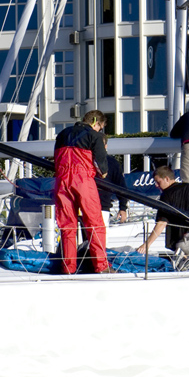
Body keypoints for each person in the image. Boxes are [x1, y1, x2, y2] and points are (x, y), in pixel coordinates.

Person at [54, 109, 110, 275]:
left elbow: (56, 159)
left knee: (67, 227)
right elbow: (102, 169)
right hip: (82, 180)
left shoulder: (62, 134)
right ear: (96, 122)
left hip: (62, 181)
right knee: (94, 224)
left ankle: (68, 268)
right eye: (100, 127)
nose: (100, 130)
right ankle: (101, 266)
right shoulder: (95, 136)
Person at [95, 134, 128, 226]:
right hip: (82, 208)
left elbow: (121, 186)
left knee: (100, 238)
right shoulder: (84, 161)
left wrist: (123, 208)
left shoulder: (112, 163)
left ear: (105, 146)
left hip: (103, 208)